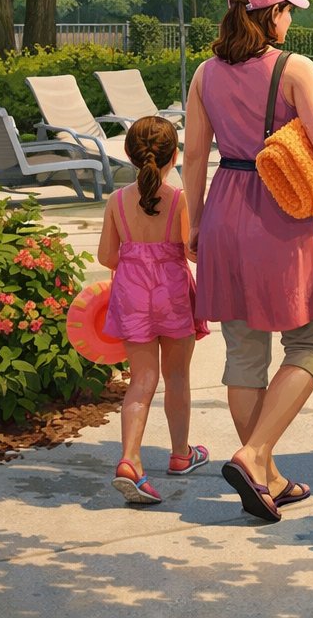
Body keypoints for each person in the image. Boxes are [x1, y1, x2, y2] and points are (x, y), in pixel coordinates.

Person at [184, 0, 313, 523]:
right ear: (271, 14)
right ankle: (255, 454)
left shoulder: (204, 73)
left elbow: (194, 156)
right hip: (280, 210)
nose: (292, 17)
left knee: (244, 350)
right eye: (288, 9)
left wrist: (191, 225)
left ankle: (265, 476)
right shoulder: (295, 67)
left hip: (223, 207)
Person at [96, 117, 210, 506]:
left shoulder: (116, 201)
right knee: (176, 376)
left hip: (132, 296)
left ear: (128, 155)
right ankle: (181, 454)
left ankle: (130, 460)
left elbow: (106, 256)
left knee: (141, 380)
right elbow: (193, 250)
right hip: (173, 297)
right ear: (173, 156)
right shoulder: (180, 200)